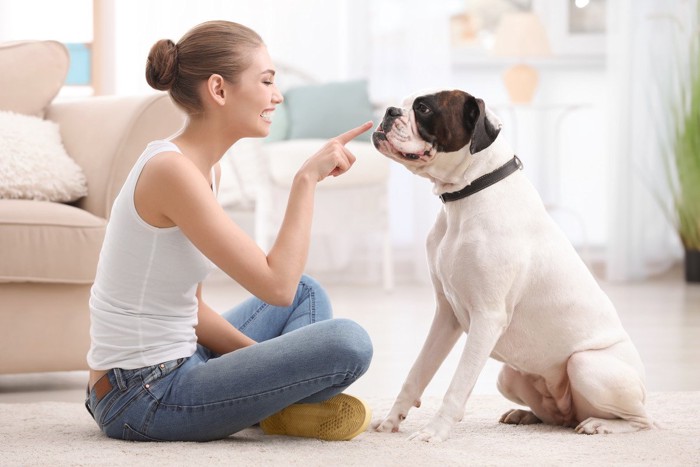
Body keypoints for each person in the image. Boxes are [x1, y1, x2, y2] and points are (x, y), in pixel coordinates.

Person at [84, 20, 374, 442]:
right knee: (349, 341)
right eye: (267, 81)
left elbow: (192, 310)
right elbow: (276, 286)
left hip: (182, 360)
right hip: (142, 395)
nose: (277, 96)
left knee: (309, 293)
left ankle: (274, 405)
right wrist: (305, 180)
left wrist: (269, 371)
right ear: (218, 89)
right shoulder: (171, 171)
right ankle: (280, 406)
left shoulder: (204, 167)